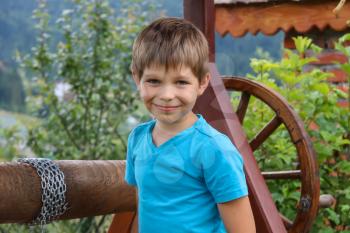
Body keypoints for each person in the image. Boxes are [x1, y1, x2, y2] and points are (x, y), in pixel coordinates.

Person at [125, 17, 256, 233]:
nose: (167, 95)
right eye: (154, 81)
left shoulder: (214, 149)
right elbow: (144, 205)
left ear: (202, 83)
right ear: (137, 78)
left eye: (181, 82)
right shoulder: (137, 140)